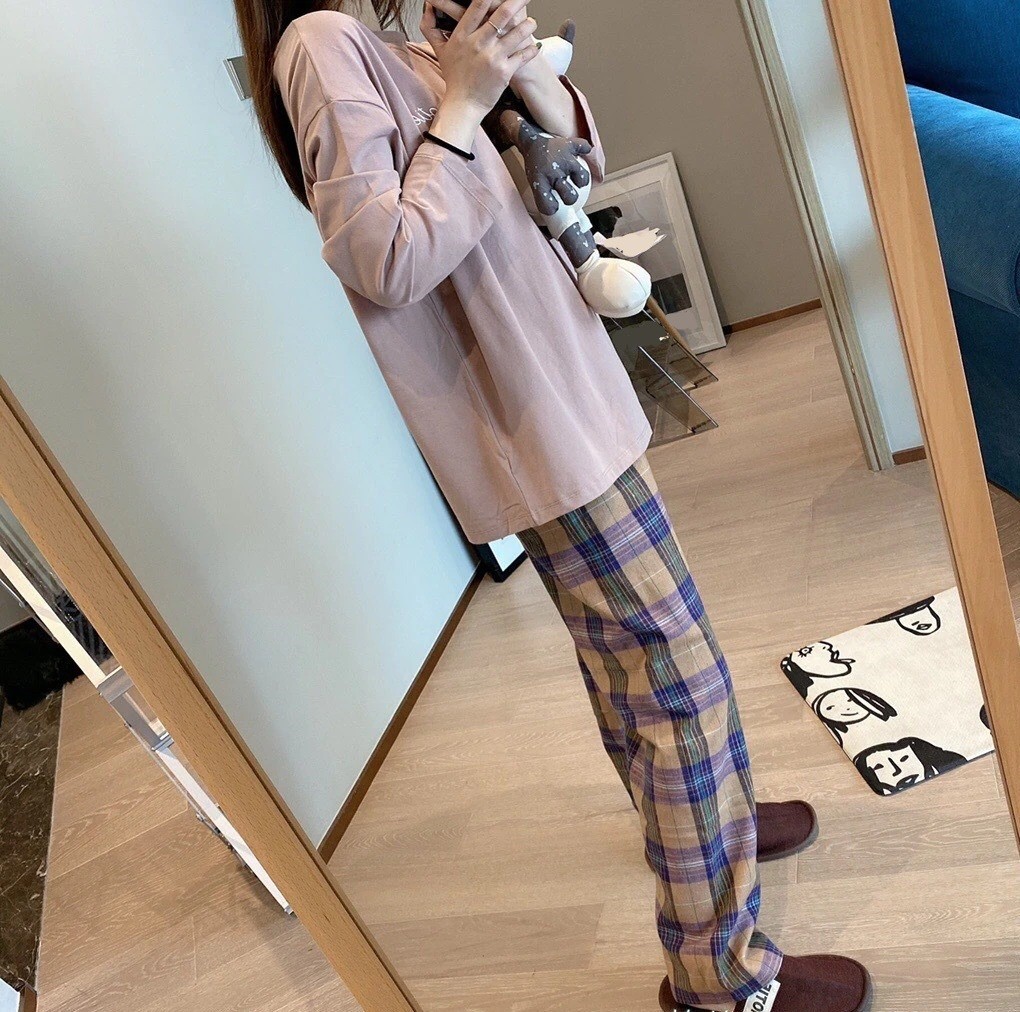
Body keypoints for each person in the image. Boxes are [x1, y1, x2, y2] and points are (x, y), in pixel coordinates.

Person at [232, 1, 873, 1008]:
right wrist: (465, 97)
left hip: (569, 394)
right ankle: (718, 979)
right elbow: (381, 259)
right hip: (535, 421)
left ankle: (717, 825)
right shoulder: (319, 44)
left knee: (637, 668)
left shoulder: (397, 41)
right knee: (678, 682)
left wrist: (510, 71)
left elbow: (574, 166)